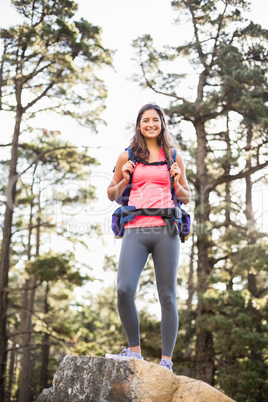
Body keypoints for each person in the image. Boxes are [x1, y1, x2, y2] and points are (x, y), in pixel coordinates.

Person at [105, 104, 191, 371]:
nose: (151, 124)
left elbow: (186, 196)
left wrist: (176, 181)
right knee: (124, 289)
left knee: (167, 295)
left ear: (162, 124)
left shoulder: (173, 156)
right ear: (139, 125)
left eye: (155, 120)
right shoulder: (127, 156)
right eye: (145, 120)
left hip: (166, 230)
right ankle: (134, 352)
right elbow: (112, 193)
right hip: (136, 229)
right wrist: (125, 177)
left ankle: (166, 361)